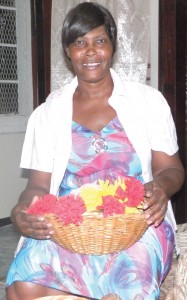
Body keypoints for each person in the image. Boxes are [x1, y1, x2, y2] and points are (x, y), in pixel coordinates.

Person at [6, 2, 184, 300]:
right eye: (80, 43)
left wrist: (162, 188)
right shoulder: (49, 112)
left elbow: (172, 169)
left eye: (99, 41)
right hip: (70, 225)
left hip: (136, 222)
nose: (90, 52)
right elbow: (37, 185)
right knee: (23, 285)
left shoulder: (149, 102)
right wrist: (21, 211)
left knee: (130, 283)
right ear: (67, 50)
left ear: (112, 45)